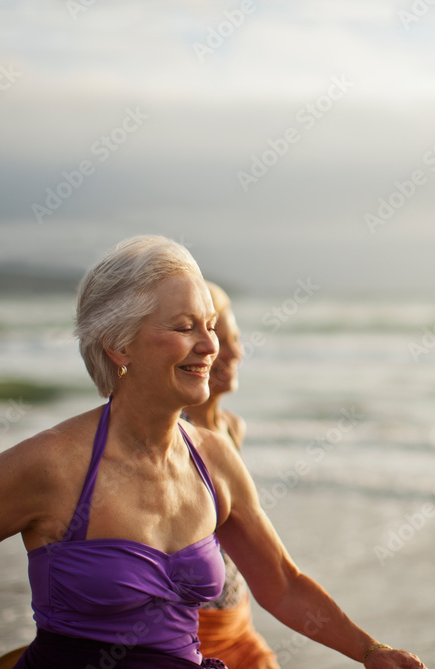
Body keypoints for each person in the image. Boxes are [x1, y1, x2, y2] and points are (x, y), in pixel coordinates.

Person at [0, 235, 427, 669]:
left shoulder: (215, 458)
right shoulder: (47, 466)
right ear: (119, 343)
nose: (210, 346)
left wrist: (370, 651)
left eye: (211, 326)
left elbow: (280, 582)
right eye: (184, 328)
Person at [184, 282, 279, 669]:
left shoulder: (231, 428)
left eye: (235, 338)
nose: (235, 351)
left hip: (239, 623)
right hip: (193, 634)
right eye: (221, 341)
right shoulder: (175, 436)